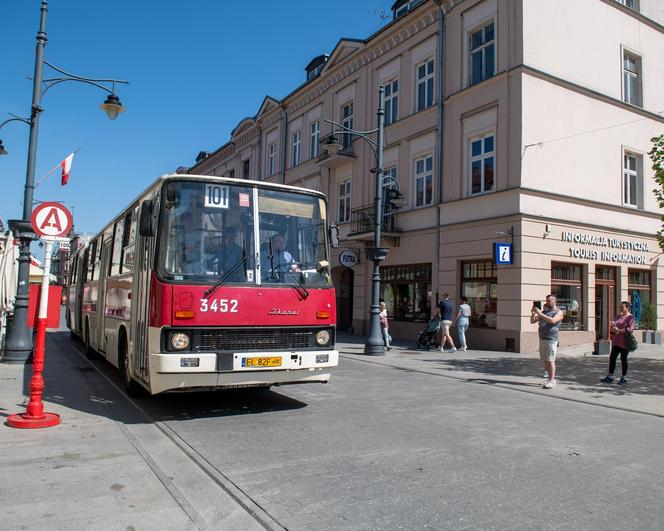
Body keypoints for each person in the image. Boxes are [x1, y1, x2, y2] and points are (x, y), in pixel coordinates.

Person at [531, 294, 563, 389]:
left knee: (550, 360)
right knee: (546, 360)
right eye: (546, 300)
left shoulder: (559, 312)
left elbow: (553, 321)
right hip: (542, 339)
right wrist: (533, 313)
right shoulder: (545, 311)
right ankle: (549, 379)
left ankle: (552, 380)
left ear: (554, 301)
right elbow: (533, 321)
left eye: (549, 301)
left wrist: (540, 313)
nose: (547, 302)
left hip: (551, 339)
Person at [601, 301, 636, 385]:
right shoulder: (617, 316)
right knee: (612, 358)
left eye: (622, 307)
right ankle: (610, 376)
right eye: (620, 307)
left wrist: (618, 330)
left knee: (623, 359)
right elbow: (612, 328)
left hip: (625, 342)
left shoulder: (630, 317)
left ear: (627, 308)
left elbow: (630, 329)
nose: (620, 308)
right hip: (616, 341)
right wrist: (612, 328)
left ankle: (623, 378)